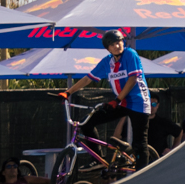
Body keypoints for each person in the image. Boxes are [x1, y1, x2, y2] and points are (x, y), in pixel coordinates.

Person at [64, 29, 152, 160]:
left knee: (139, 143)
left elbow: (132, 79)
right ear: (108, 48)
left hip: (139, 103)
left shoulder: (130, 54)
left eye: (119, 42)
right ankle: (99, 160)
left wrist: (117, 100)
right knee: (86, 123)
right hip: (121, 103)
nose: (117, 46)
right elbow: (88, 79)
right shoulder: (107, 62)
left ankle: (143, 172)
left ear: (123, 42)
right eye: (112, 44)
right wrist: (68, 92)